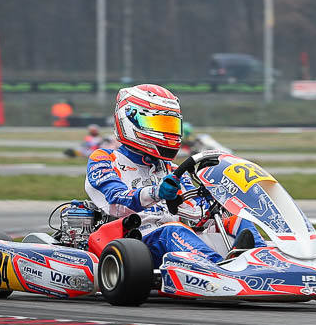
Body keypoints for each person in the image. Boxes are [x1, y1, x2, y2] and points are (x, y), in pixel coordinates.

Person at [84, 83, 264, 267]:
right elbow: (117, 199)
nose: (166, 132)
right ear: (130, 120)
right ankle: (222, 270)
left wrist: (217, 203)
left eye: (170, 125)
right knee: (172, 230)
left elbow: (195, 210)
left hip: (177, 238)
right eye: (158, 124)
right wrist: (156, 193)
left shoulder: (172, 169)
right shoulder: (105, 159)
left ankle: (262, 262)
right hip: (133, 241)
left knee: (235, 218)